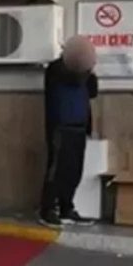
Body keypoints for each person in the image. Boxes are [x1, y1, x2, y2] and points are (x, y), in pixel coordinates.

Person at [40, 35, 99, 227]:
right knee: (56, 170)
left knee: (74, 170)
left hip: (79, 126)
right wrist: (84, 69)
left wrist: (90, 71)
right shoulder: (56, 69)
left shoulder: (84, 73)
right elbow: (73, 79)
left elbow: (93, 92)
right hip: (60, 126)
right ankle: (48, 209)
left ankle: (67, 207)